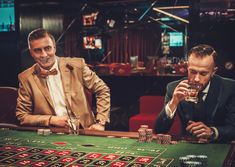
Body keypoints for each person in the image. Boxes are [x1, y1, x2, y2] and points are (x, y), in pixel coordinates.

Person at [16, 28, 110, 131]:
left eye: (48, 48)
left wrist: (101, 122)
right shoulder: (25, 78)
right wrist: (50, 120)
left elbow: (102, 90)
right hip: (51, 134)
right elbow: (22, 116)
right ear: (31, 53)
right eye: (38, 50)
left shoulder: (77, 65)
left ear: (55, 48)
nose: (44, 55)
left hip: (85, 130)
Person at [155, 44, 235, 143]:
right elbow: (159, 130)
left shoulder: (229, 87)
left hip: (218, 145)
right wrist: (173, 102)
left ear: (213, 72)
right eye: (192, 72)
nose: (196, 79)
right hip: (188, 145)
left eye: (203, 73)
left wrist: (212, 132)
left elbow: (233, 128)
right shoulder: (173, 88)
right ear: (187, 68)